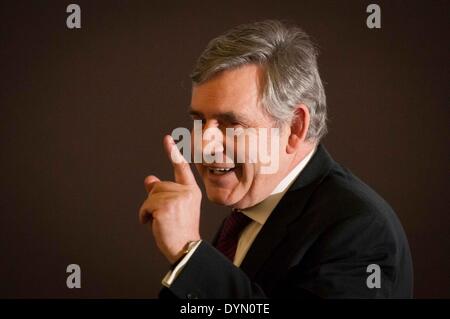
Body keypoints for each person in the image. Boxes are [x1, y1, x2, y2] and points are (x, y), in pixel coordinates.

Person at [138, 20, 413, 298]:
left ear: (294, 128)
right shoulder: (246, 215)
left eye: (231, 123)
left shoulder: (361, 230)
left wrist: (190, 254)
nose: (201, 142)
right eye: (199, 120)